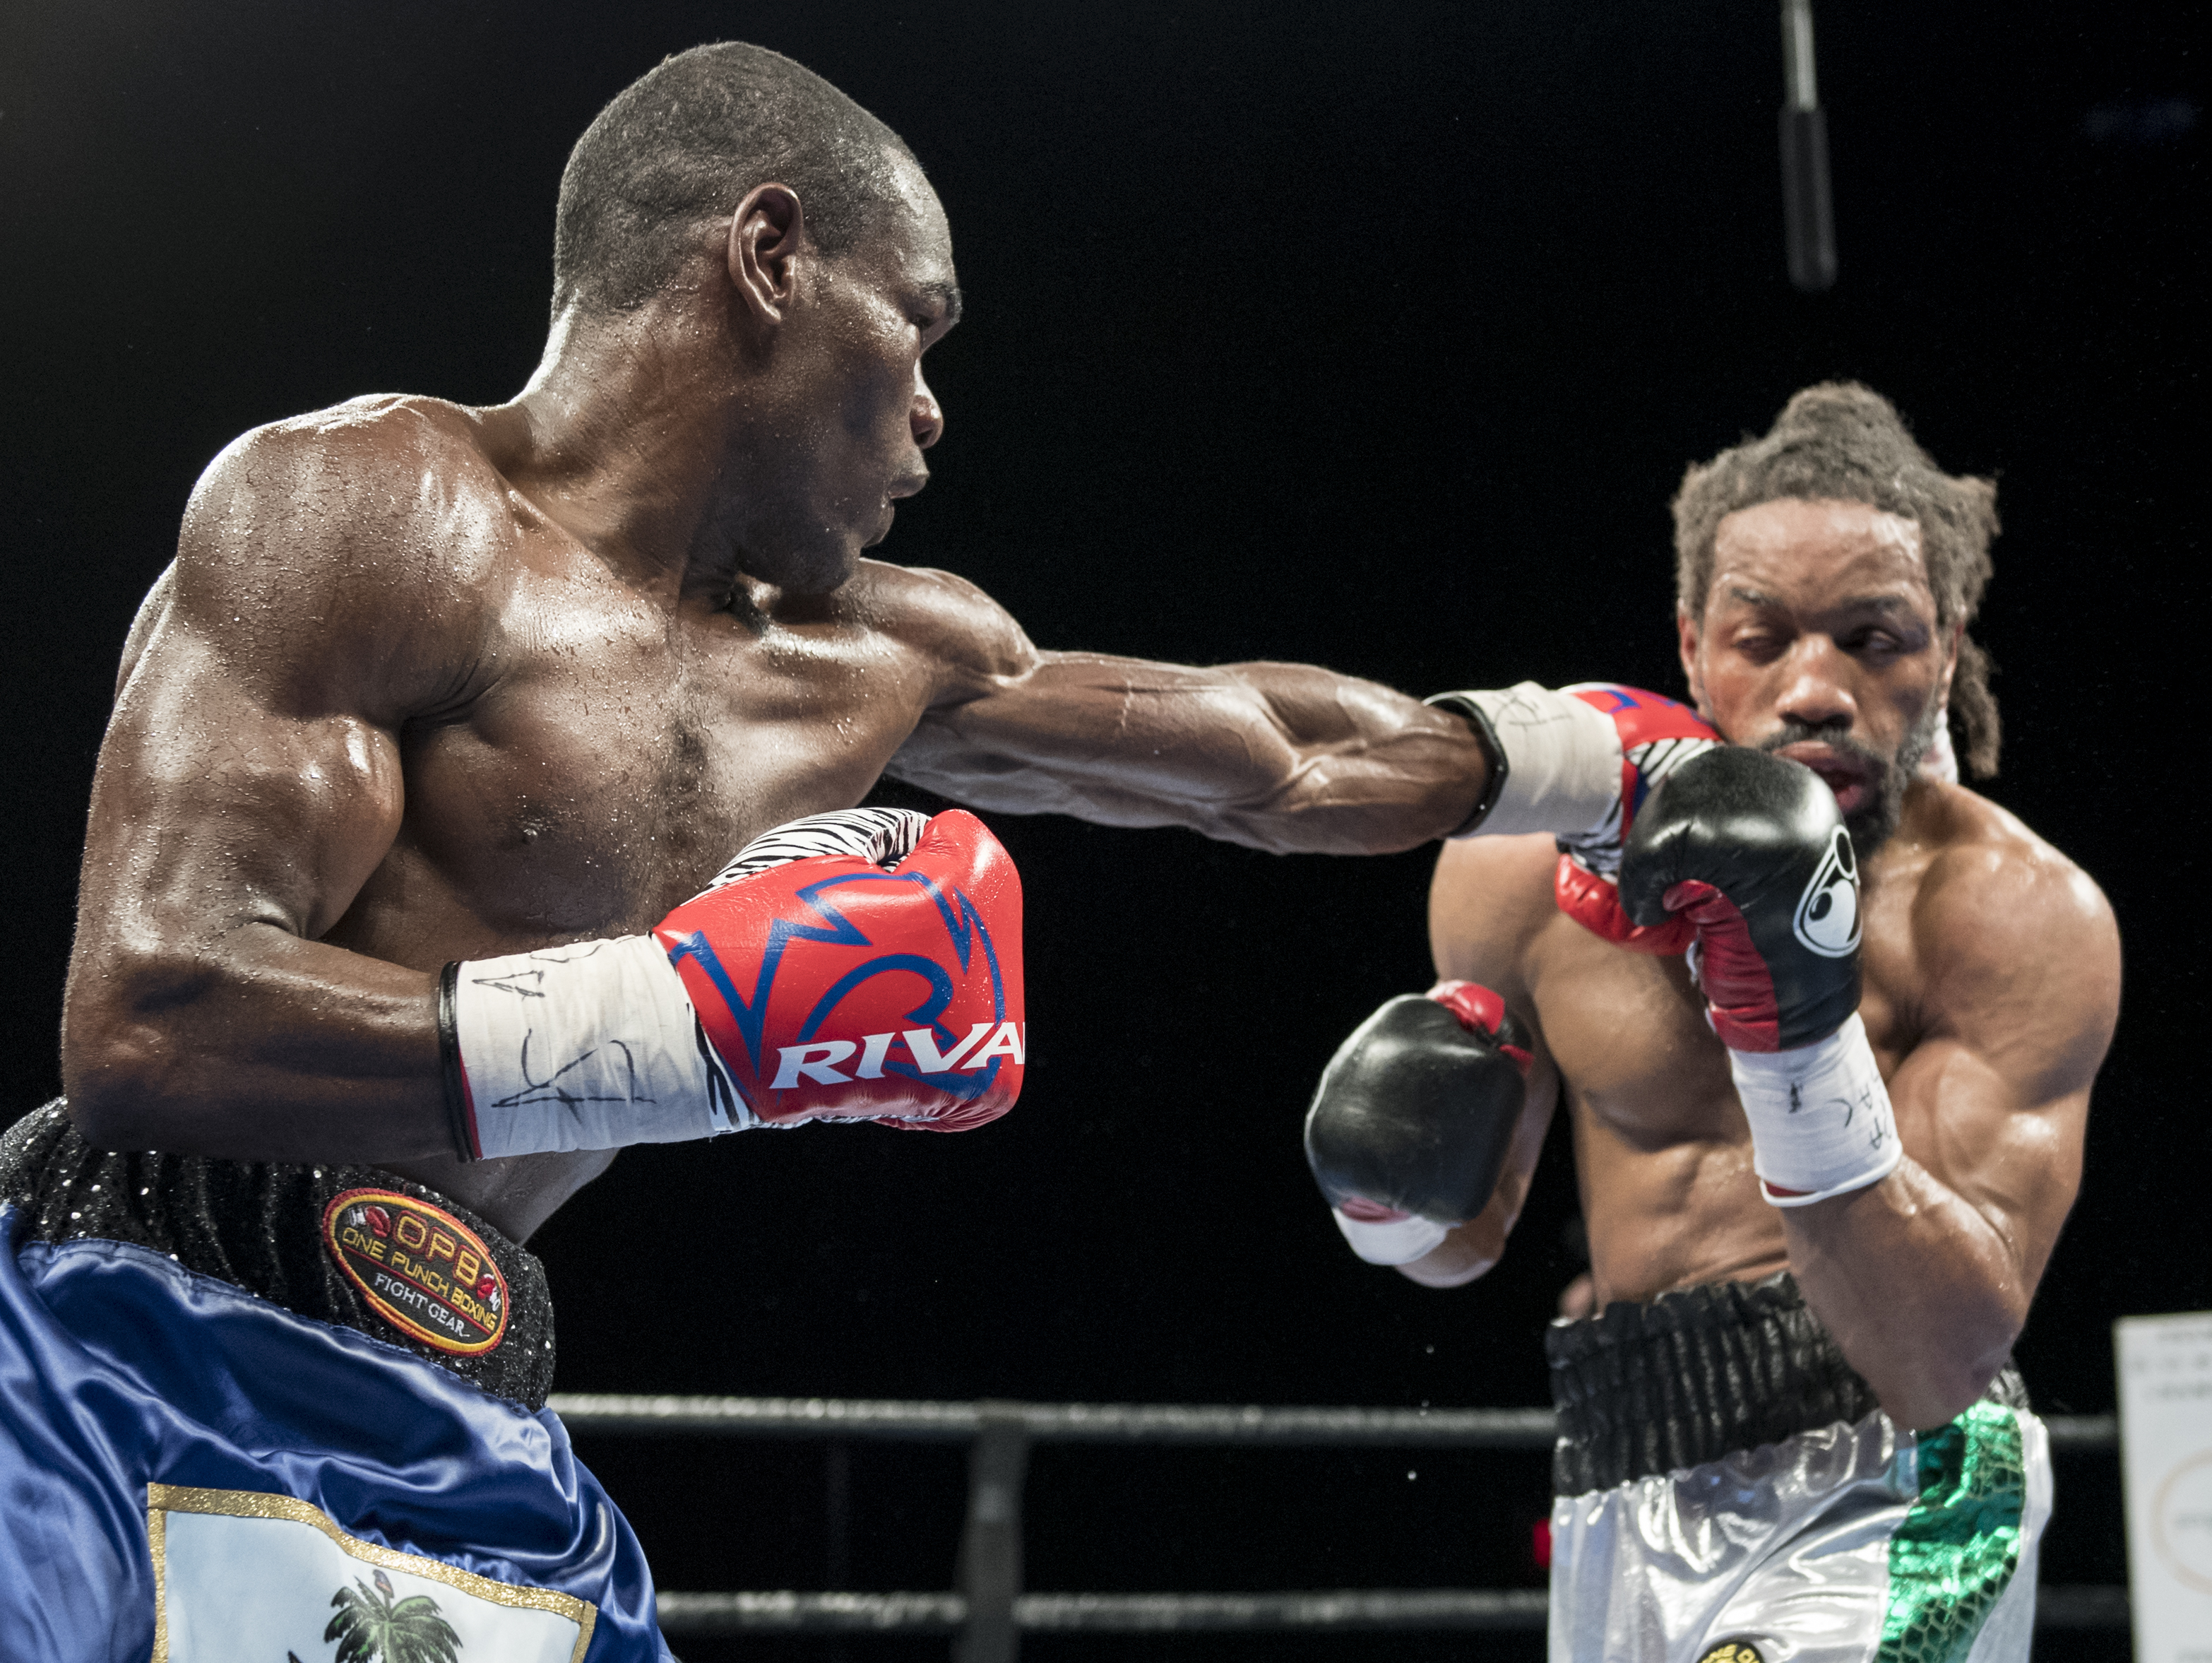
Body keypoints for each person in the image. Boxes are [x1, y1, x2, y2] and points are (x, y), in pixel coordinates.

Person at [0, 42, 1502, 1661]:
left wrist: (1564, 760)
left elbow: (1274, 761)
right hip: (123, 1335)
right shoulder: (371, 513)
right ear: (769, 255)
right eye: (917, 324)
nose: (932, 408)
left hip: (468, 1413)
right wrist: (681, 1033)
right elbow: (147, 1020)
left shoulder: (874, 662)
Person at [1302, 384, 2119, 1663]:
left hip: (1898, 1475)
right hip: (1623, 1475)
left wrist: (1790, 1019)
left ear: (1946, 651)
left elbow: (1942, 1356)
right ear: (1690, 645)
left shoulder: (2014, 916)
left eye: (1873, 640)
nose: (1816, 690)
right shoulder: (1515, 877)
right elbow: (1462, 1246)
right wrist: (1384, 1194)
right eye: (1764, 639)